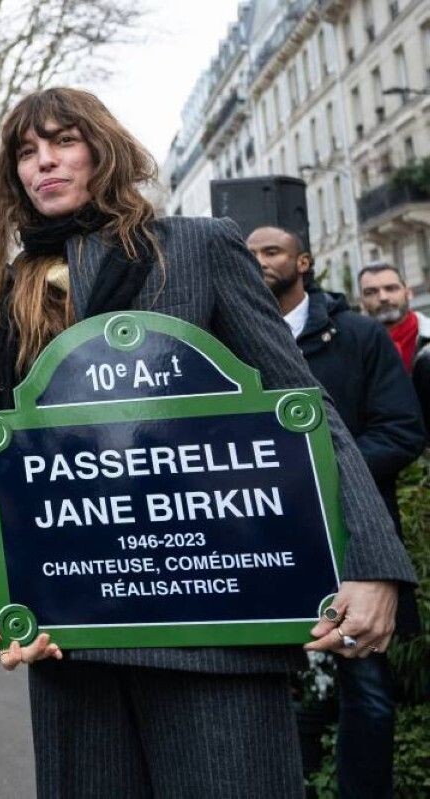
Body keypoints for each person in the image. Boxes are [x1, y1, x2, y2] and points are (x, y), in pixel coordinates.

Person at [0, 87, 417, 797]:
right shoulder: (8, 290)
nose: (43, 162)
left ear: (102, 149)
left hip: (213, 628)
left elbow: (300, 406)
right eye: (26, 151)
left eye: (62, 142)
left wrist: (370, 562)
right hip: (76, 632)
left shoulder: (198, 248)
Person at [248, 225, 424, 798]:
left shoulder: (356, 337)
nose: (259, 263)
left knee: (368, 695)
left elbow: (401, 431)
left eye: (271, 252)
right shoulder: (226, 340)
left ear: (303, 261)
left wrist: (314, 477)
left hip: (354, 550)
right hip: (261, 553)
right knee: (263, 695)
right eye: (248, 256)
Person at [358, 262, 430, 439]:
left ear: (408, 292)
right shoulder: (350, 347)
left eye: (391, 288)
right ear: (361, 301)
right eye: (371, 292)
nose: (383, 297)